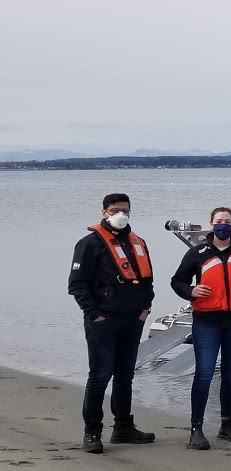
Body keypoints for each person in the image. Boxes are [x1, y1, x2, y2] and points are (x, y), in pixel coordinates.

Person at [170, 207, 231, 450]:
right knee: (204, 373)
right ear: (211, 224)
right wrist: (191, 291)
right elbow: (177, 281)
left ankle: (227, 426)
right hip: (207, 321)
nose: (223, 225)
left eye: (227, 221)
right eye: (218, 221)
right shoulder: (198, 253)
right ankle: (196, 430)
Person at [68, 193, 155, 454]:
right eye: (116, 210)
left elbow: (148, 280)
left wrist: (146, 307)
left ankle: (123, 427)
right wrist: (94, 314)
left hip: (132, 319)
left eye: (126, 210)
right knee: (100, 375)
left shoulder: (137, 242)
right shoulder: (89, 244)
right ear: (104, 211)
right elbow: (77, 285)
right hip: (103, 321)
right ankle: (92, 432)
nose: (122, 215)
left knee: (125, 375)